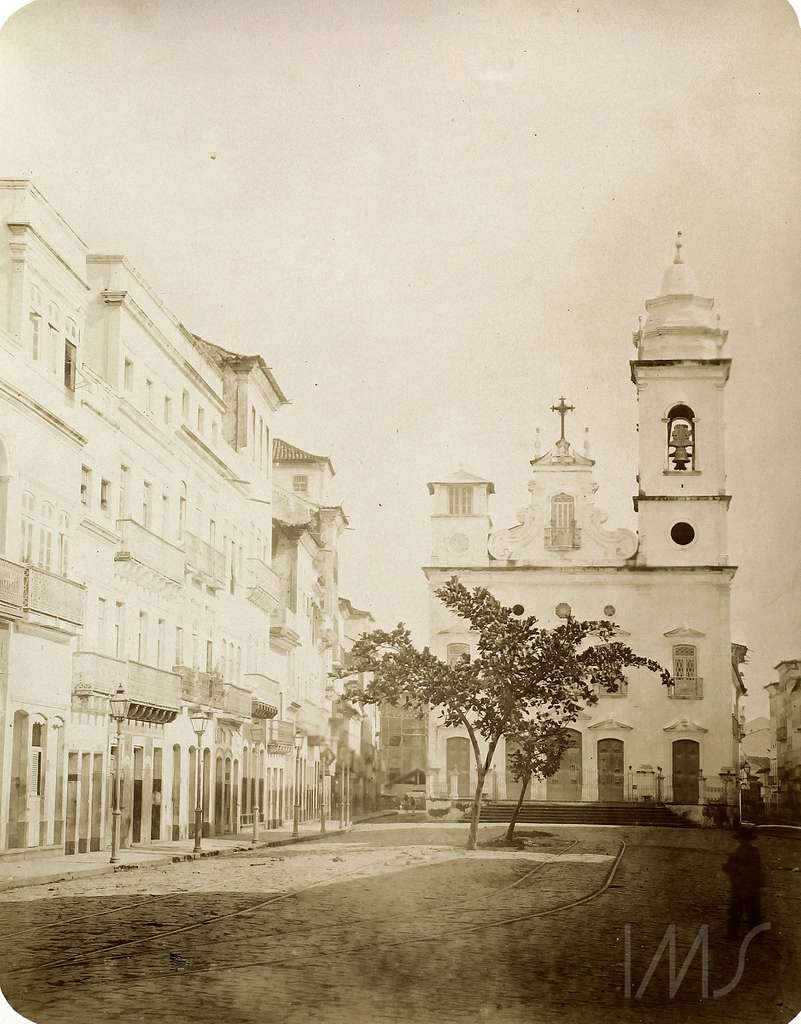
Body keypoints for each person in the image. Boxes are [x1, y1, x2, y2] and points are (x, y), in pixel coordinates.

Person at [723, 826, 764, 940]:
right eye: (742, 839)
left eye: (744, 839)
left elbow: (755, 869)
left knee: (751, 911)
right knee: (738, 910)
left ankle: (755, 934)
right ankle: (734, 933)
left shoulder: (749, 852)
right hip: (742, 885)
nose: (742, 841)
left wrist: (733, 867)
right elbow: (730, 866)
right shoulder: (743, 851)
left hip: (746, 885)